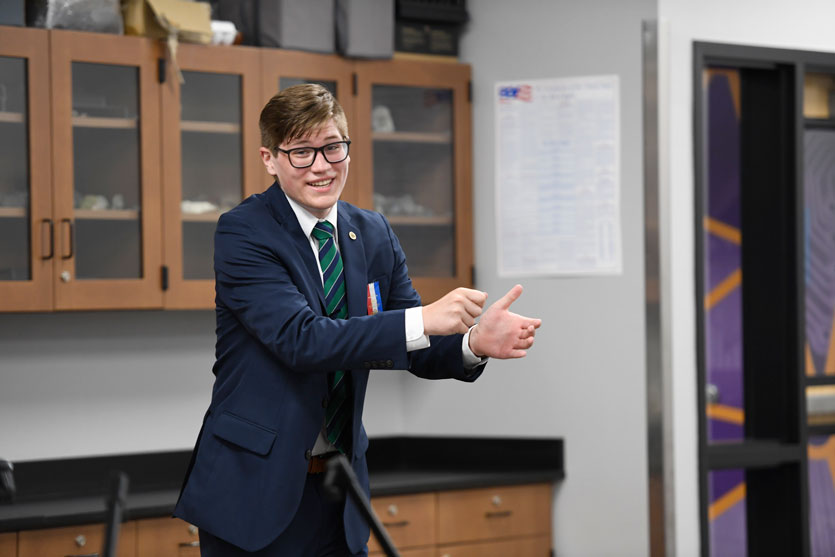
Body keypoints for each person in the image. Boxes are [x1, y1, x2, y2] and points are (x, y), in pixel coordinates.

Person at [174, 84, 541, 556]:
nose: (322, 166)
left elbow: (416, 346)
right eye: (301, 152)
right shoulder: (244, 231)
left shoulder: (371, 232)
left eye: (332, 147)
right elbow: (301, 341)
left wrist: (473, 342)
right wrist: (425, 319)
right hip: (255, 490)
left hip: (340, 491)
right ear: (269, 158)